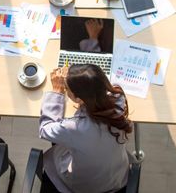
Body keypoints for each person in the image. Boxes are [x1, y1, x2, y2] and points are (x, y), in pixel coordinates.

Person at [39, 64, 133, 193]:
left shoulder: (74, 128)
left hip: (87, 185)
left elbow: (45, 129)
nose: (65, 90)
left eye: (67, 89)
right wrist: (78, 76)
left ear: (78, 99)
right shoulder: (118, 98)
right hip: (116, 175)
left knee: (52, 160)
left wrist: (57, 91)